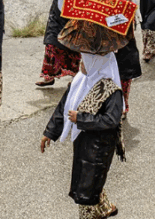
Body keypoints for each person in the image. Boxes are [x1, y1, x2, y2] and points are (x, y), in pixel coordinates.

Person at [41, 52, 125, 218]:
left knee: (87, 188)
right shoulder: (80, 81)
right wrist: (50, 132)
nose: (81, 63)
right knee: (88, 180)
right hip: (83, 143)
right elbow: (64, 106)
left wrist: (81, 119)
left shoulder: (111, 90)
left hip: (100, 147)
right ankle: (104, 207)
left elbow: (111, 120)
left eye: (85, 60)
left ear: (97, 63)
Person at [107, 0, 142, 119]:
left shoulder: (121, 4)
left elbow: (120, 26)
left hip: (119, 50)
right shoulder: (127, 3)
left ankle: (120, 107)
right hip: (125, 50)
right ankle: (121, 106)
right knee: (122, 81)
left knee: (118, 80)